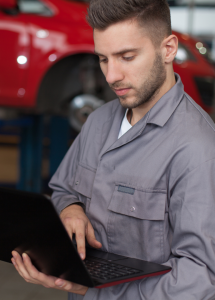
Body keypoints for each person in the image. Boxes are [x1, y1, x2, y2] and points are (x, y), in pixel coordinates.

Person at [11, 0, 215, 298]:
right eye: (103, 59)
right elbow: (63, 188)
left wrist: (99, 290)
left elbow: (200, 277)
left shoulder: (197, 149)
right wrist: (70, 210)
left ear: (168, 49)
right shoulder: (98, 122)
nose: (111, 76)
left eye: (127, 57)